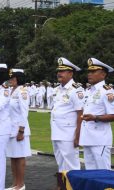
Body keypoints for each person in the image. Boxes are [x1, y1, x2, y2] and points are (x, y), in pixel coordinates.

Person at [51, 57, 84, 189]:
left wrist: (77, 136)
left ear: (71, 73)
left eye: (63, 71)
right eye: (59, 71)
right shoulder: (57, 89)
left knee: (72, 167)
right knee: (61, 165)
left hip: (69, 135)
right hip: (57, 133)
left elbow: (80, 114)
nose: (60, 73)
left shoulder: (76, 90)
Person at [79, 58, 114, 170]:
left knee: (103, 173)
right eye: (89, 71)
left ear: (103, 74)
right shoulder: (89, 91)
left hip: (100, 140)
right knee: (90, 173)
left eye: (93, 72)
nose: (89, 74)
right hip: (87, 138)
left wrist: (95, 117)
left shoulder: (107, 91)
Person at [5, 69, 31, 190]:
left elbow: (24, 112)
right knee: (13, 157)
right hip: (10, 130)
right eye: (10, 78)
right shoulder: (11, 91)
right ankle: (15, 183)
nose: (11, 80)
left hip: (20, 129)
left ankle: (21, 184)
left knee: (20, 157)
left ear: (18, 79)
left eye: (13, 78)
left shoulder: (22, 91)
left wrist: (21, 131)